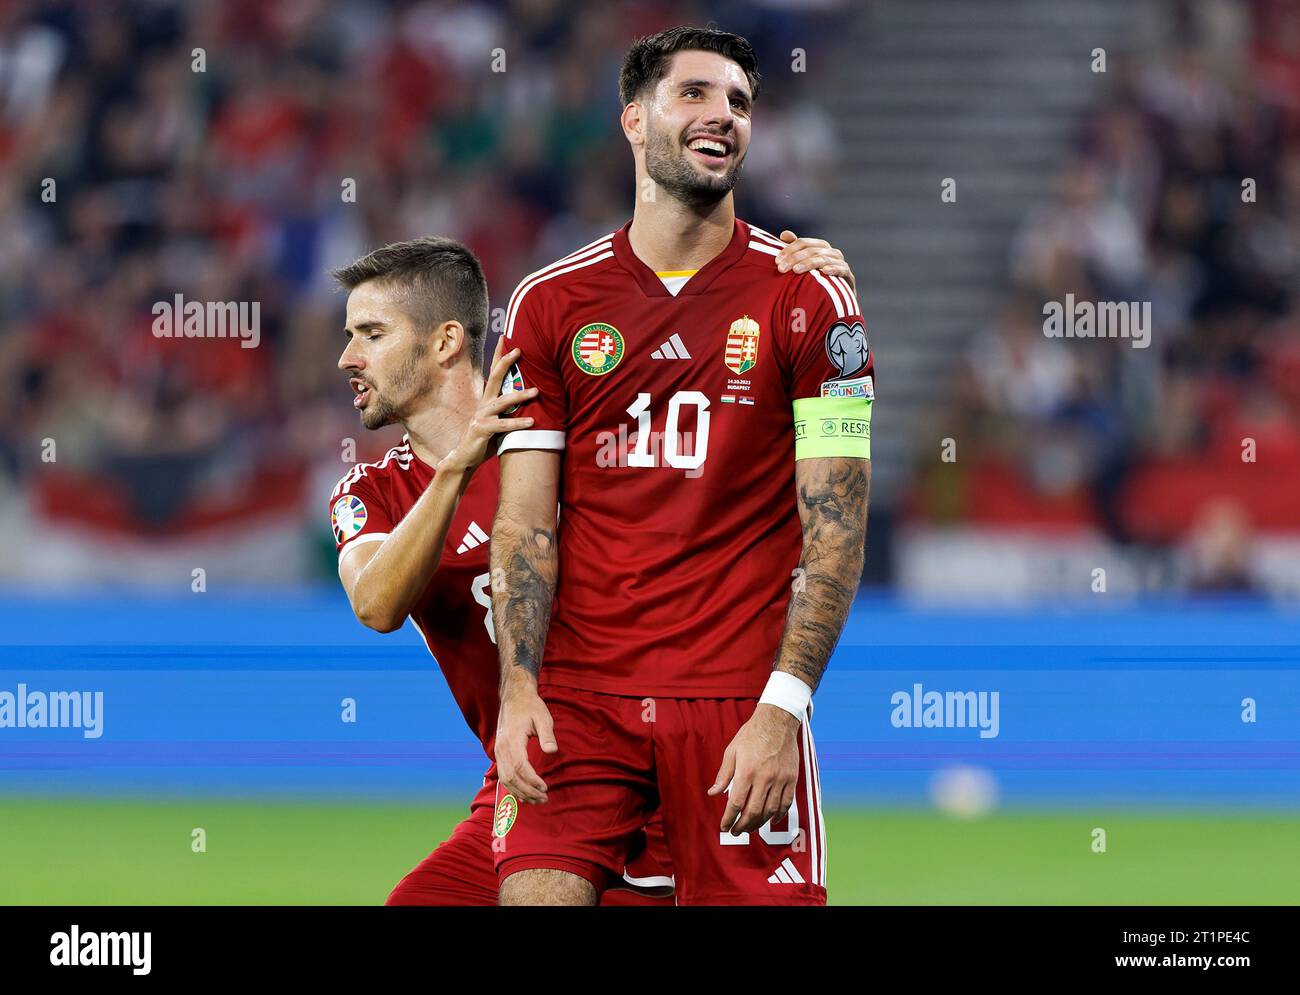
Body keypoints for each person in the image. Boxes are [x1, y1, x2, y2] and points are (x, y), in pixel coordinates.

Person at [329, 227, 860, 904]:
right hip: (543, 773)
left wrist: (815, 303)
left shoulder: (570, 434)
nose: (348, 357)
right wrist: (455, 472)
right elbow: (376, 604)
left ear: (445, 342)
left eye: (371, 334)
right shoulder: (370, 492)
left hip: (680, 762)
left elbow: (720, 404)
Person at [490, 26, 873, 905]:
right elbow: (525, 522)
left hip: (737, 702)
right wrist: (517, 689)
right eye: (695, 94)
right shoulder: (548, 305)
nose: (723, 115)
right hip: (582, 696)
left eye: (739, 102)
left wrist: (785, 706)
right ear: (633, 120)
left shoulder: (812, 297)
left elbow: (837, 530)